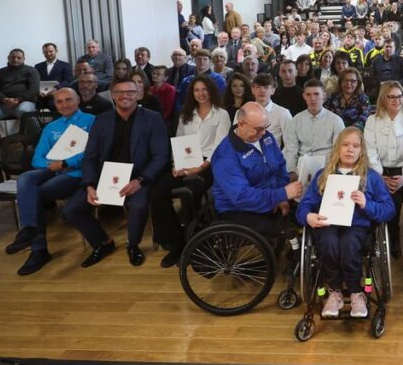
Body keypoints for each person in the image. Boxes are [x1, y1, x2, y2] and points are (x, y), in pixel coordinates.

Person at [63, 79, 170, 268]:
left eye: (130, 91)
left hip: (139, 176)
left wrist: (141, 180)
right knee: (72, 208)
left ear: (138, 94)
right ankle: (102, 243)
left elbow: (161, 155)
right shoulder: (101, 120)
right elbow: (90, 157)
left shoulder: (153, 118)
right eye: (119, 92)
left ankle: (133, 245)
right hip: (107, 177)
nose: (124, 96)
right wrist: (89, 185)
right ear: (112, 95)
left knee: (138, 206)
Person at [297, 127, 395, 318]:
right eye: (346, 145)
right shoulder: (323, 175)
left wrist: (367, 204)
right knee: (328, 242)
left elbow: (388, 209)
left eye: (355, 146)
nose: (350, 149)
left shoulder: (371, 177)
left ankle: (356, 291)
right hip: (328, 224)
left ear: (362, 151)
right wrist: (308, 217)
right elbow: (305, 206)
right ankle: (335, 291)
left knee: (349, 244)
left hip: (358, 227)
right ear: (337, 148)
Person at [6, 88, 95, 275]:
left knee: (35, 194)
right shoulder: (51, 127)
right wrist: (52, 165)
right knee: (25, 178)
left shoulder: (92, 121)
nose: (64, 104)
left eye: (68, 100)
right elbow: (36, 159)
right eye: (59, 101)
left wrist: (65, 163)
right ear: (55, 104)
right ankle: (30, 229)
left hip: (77, 173)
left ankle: (38, 250)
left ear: (78, 99)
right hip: (51, 170)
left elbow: (93, 153)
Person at [150, 75, 230, 268]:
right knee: (157, 192)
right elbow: (179, 140)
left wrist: (201, 166)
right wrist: (175, 165)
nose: (200, 93)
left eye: (204, 89)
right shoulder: (186, 113)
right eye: (196, 90)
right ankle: (176, 242)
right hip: (186, 160)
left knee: (190, 194)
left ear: (211, 90)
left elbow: (220, 146)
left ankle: (195, 242)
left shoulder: (221, 114)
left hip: (210, 164)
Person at [211, 102, 304, 236]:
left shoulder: (266, 138)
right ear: (241, 124)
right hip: (238, 209)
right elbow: (242, 197)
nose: (264, 132)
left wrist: (281, 197)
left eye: (266, 127)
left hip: (269, 197)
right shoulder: (225, 157)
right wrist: (281, 194)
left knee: (304, 214)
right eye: (258, 129)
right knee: (281, 229)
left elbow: (280, 168)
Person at [365, 81, 403, 258]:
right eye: (391, 96)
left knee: (394, 196)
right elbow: (370, 151)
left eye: (399, 96)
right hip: (379, 172)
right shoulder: (372, 120)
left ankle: (393, 236)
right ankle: (375, 235)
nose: (396, 100)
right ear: (383, 98)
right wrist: (379, 176)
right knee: (386, 195)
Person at [282, 79, 346, 186]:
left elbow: (338, 150)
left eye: (316, 94)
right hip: (302, 166)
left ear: (324, 95)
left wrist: (333, 171)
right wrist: (291, 171)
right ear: (304, 96)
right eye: (308, 94)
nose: (312, 98)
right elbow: (291, 149)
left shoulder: (336, 120)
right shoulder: (296, 120)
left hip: (327, 166)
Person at [0, 49, 40, 121]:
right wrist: (4, 99)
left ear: (24, 59)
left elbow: (34, 89)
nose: (15, 59)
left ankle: (33, 132)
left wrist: (19, 99)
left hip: (24, 103)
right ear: (8, 58)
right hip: (2, 105)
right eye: (13, 57)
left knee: (25, 112)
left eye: (19, 58)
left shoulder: (31, 71)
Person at [174, 49, 227, 114]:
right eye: (199, 59)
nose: (202, 61)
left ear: (210, 61)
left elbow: (220, 100)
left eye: (205, 59)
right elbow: (179, 102)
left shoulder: (217, 79)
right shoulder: (187, 80)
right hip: (189, 115)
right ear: (195, 61)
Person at [35, 42, 73, 107]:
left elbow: (68, 80)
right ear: (43, 53)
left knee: (53, 104)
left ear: (56, 51)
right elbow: (36, 81)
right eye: (46, 52)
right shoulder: (38, 66)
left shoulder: (65, 65)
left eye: (51, 51)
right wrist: (39, 90)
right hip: (41, 95)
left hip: (58, 93)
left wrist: (56, 89)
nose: (48, 54)